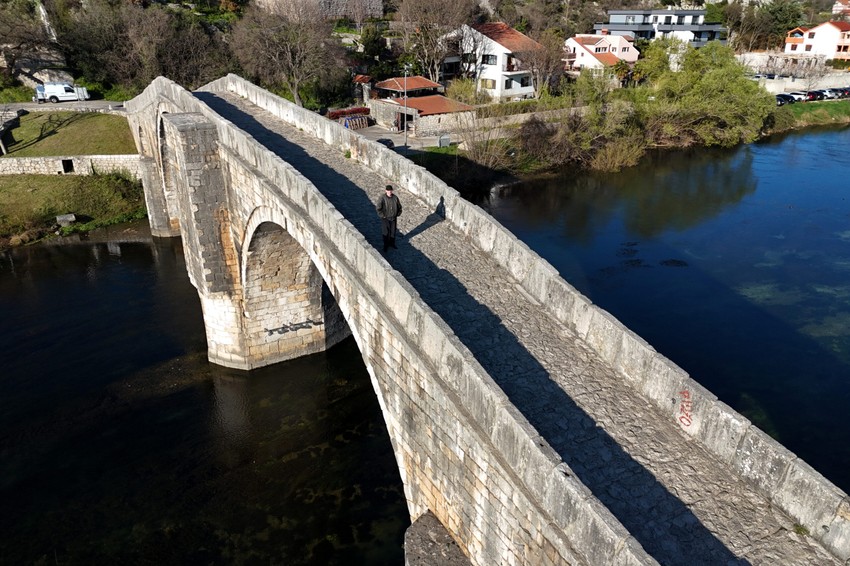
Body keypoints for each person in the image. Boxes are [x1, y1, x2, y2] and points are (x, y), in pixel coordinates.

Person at [376, 184, 402, 252]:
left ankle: (392, 243)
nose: (389, 192)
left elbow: (399, 206)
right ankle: (385, 245)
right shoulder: (382, 198)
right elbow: (378, 208)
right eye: (388, 190)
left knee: (393, 231)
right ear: (386, 191)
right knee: (386, 232)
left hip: (393, 217)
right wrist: (383, 215)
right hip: (385, 218)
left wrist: (398, 213)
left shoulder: (395, 198)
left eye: (390, 190)